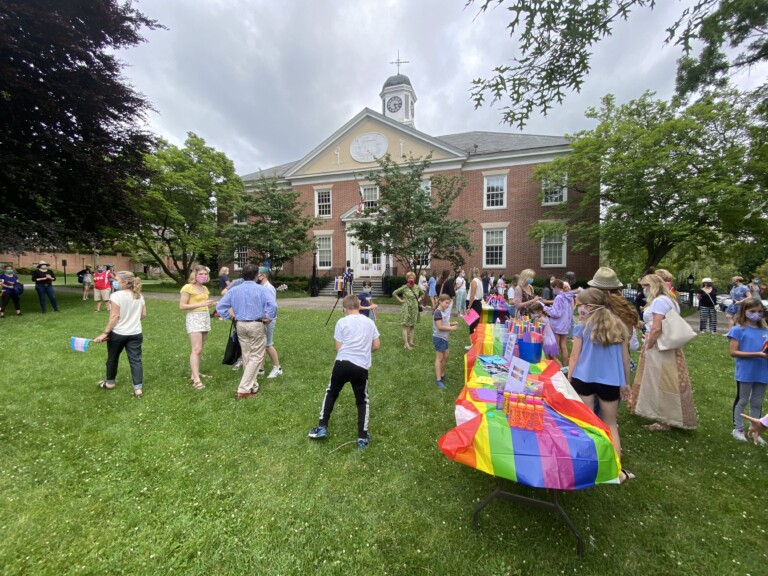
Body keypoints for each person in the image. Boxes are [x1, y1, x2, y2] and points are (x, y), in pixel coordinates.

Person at [567, 288, 633, 482]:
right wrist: (626, 383)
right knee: (610, 423)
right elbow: (624, 358)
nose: (579, 310)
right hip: (611, 381)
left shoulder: (582, 327)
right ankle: (616, 470)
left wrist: (570, 378)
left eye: (580, 306)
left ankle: (590, 463)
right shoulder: (619, 326)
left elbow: (574, 356)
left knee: (588, 422)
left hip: (584, 378)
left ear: (589, 306)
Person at [308, 295, 381, 450]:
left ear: (345, 309)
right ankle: (362, 437)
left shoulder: (341, 322)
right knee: (362, 400)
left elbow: (339, 347)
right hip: (360, 366)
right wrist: (363, 351)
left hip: (342, 363)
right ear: (359, 306)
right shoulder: (369, 322)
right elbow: (376, 345)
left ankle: (322, 426)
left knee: (332, 392)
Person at [630, 274, 697, 430]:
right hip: (668, 346)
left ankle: (664, 419)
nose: (644, 290)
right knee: (667, 380)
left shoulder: (659, 301)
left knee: (661, 381)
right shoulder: (670, 300)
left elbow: (657, 327)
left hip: (659, 345)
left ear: (652, 286)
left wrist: (648, 345)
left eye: (645, 286)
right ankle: (666, 416)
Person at [215, 264, 278, 398]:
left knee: (247, 354)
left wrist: (231, 316)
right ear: (256, 275)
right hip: (256, 324)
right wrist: (269, 318)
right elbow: (273, 305)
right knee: (256, 356)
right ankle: (243, 389)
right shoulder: (261, 290)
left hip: (240, 325)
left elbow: (220, 307)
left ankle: (253, 386)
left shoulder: (234, 290)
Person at [93, 271, 146, 398]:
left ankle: (110, 383)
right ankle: (138, 389)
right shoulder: (139, 295)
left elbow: (115, 316)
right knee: (135, 360)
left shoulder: (116, 296)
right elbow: (143, 315)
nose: (114, 282)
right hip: (136, 333)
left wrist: (104, 333)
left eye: (116, 280)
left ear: (125, 282)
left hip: (118, 334)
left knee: (112, 358)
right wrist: (131, 320)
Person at [727, 298, 768, 444]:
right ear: (744, 312)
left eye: (759, 311)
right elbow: (733, 352)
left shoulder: (766, 331)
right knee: (742, 399)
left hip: (763, 371)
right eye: (752, 311)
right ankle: (737, 428)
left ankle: (754, 428)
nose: (756, 314)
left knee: (757, 401)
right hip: (746, 371)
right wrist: (757, 354)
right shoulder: (738, 330)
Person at [180, 265, 217, 390]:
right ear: (194, 275)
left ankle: (194, 373)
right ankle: (196, 379)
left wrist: (211, 304)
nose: (203, 276)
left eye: (205, 274)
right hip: (194, 318)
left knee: (200, 349)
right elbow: (182, 306)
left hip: (205, 317)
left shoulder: (204, 288)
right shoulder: (188, 287)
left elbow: (203, 305)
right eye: (201, 274)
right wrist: (202, 303)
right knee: (196, 349)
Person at [256, 266, 283, 379]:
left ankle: (277, 368)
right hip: (262, 319)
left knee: (268, 345)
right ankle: (260, 368)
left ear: (263, 275)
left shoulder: (268, 288)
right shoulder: (260, 286)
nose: (256, 276)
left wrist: (268, 319)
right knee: (261, 345)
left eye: (258, 274)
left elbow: (272, 306)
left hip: (268, 320)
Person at [543, 279, 574, 368]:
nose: (553, 290)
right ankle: (565, 366)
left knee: (555, 348)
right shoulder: (569, 297)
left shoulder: (559, 297)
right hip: (566, 324)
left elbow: (556, 313)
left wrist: (545, 308)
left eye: (553, 288)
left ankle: (555, 367)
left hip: (557, 325)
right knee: (563, 346)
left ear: (556, 287)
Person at [433, 294, 459, 388]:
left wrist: (452, 323)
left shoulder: (443, 312)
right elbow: (439, 327)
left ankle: (442, 375)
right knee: (439, 358)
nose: (447, 305)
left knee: (446, 356)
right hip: (439, 338)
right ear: (440, 301)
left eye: (449, 303)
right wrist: (451, 328)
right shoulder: (437, 312)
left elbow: (444, 322)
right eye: (446, 303)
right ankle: (438, 379)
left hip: (444, 338)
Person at [392, 271, 424, 349]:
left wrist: (419, 299)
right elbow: (394, 293)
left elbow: (423, 294)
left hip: (414, 308)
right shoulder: (404, 287)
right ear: (407, 279)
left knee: (412, 325)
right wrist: (401, 300)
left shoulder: (417, 287)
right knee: (405, 325)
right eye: (409, 278)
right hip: (406, 308)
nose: (411, 279)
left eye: (412, 278)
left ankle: (411, 342)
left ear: (414, 279)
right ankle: (406, 344)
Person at [466, 267, 484, 340]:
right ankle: (474, 342)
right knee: (475, 324)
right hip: (477, 303)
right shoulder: (480, 280)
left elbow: (472, 295)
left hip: (474, 304)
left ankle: (473, 342)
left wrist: (469, 307)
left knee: (472, 325)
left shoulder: (474, 281)